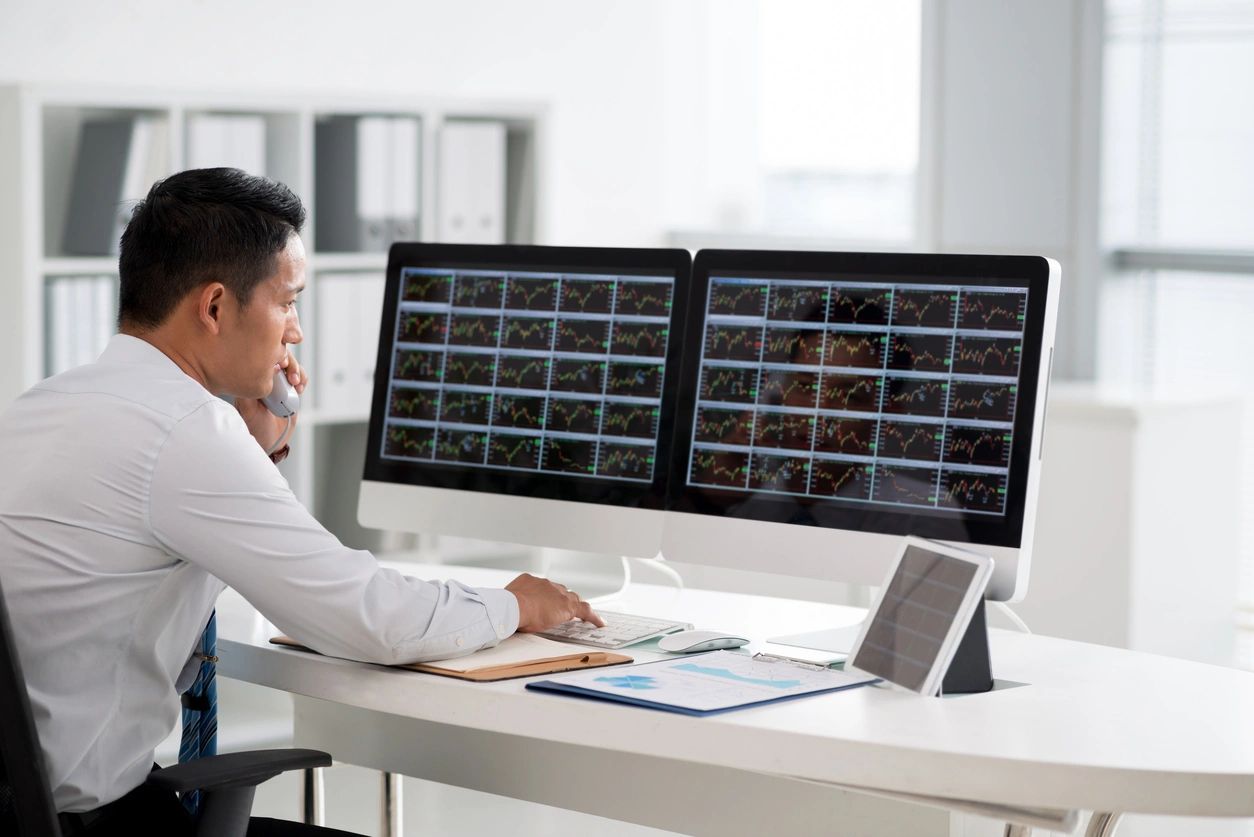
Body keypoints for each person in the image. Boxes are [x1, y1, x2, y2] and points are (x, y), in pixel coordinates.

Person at [0, 168, 603, 836]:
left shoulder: (46, 404)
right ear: (215, 307)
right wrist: (515, 603)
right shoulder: (186, 430)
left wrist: (249, 455)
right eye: (287, 302)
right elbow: (366, 616)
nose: (296, 331)